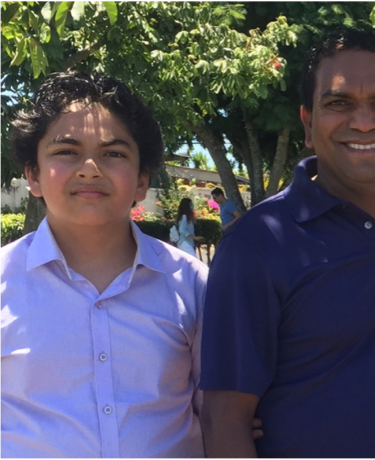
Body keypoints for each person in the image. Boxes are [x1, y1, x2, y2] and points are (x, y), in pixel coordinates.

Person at [199, 27, 375, 458]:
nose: (365, 121)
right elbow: (225, 418)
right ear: (308, 124)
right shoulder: (256, 245)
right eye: (338, 103)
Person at [0, 71, 207, 458]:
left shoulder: (192, 284)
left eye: (114, 153)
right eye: (66, 151)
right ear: (33, 175)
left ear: (142, 179)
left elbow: (215, 410)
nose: (90, 168)